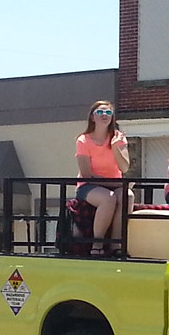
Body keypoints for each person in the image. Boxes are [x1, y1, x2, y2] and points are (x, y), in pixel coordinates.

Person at [76, 99, 132, 255]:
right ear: (92, 117)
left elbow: (124, 167)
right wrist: (112, 184)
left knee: (128, 196)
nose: (104, 115)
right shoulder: (83, 140)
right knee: (108, 198)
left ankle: (116, 244)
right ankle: (98, 244)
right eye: (100, 112)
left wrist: (115, 147)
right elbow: (87, 175)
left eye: (108, 112)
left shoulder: (119, 137)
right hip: (89, 185)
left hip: (115, 184)